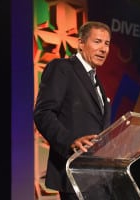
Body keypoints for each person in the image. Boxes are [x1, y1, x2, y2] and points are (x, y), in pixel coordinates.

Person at [33, 21, 112, 199]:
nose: (103, 49)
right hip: (75, 174)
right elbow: (43, 113)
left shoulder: (97, 83)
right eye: (97, 41)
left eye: (107, 44)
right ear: (81, 43)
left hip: (100, 177)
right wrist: (70, 141)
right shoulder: (62, 68)